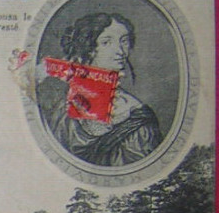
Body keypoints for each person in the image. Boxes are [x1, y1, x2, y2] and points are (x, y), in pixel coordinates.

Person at [41, 13, 162, 166]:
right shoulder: (62, 107)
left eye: (124, 41)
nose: (120, 51)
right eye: (106, 42)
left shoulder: (136, 115)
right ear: (88, 49)